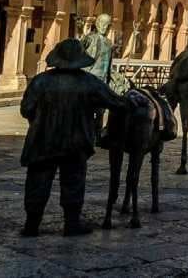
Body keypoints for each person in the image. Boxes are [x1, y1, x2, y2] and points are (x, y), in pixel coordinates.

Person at [19, 37, 129, 237]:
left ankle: (31, 225)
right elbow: (117, 103)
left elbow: (26, 110)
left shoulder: (40, 81)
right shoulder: (89, 83)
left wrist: (42, 122)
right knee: (73, 182)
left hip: (42, 142)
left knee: (37, 182)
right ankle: (71, 224)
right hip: (75, 143)